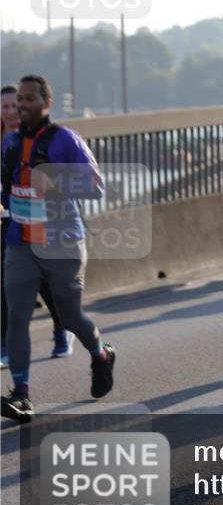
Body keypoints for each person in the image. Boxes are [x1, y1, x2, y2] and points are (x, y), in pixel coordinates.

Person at [1, 75, 117, 423]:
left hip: (63, 243)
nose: (22, 104)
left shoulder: (66, 140)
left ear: (46, 103)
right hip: (21, 244)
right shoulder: (8, 143)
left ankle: (100, 355)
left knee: (69, 318)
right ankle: (22, 395)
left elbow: (96, 187)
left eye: (30, 99)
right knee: (17, 318)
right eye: (20, 98)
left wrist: (56, 180)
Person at [1, 86, 71, 369]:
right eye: (4, 106)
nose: (10, 112)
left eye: (14, 106)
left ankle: (61, 327)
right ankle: (5, 343)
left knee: (44, 281)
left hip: (37, 219)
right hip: (6, 220)